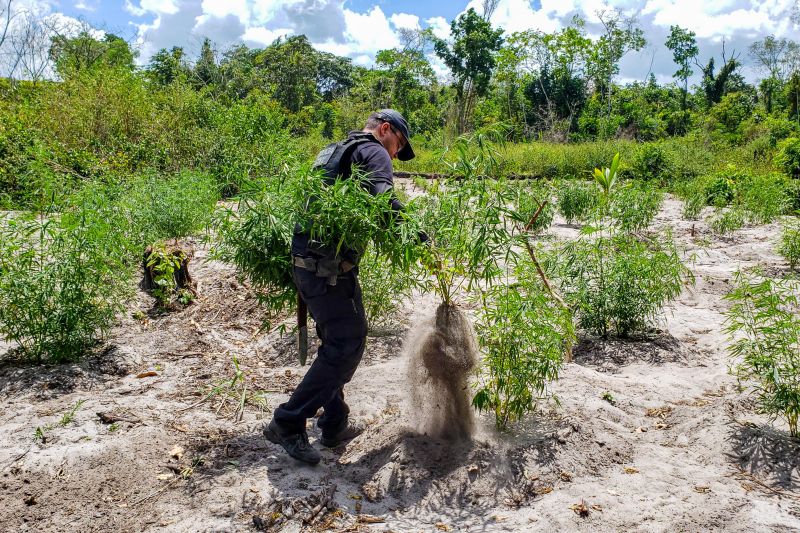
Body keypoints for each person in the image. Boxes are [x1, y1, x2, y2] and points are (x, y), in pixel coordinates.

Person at [264, 109, 417, 465]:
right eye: (398, 146)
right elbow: (384, 201)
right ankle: (288, 420)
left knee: (335, 342)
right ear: (385, 130)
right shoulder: (374, 150)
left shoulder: (335, 150)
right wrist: (416, 235)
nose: (394, 155)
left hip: (309, 264)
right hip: (328, 270)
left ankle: (334, 423)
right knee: (348, 344)